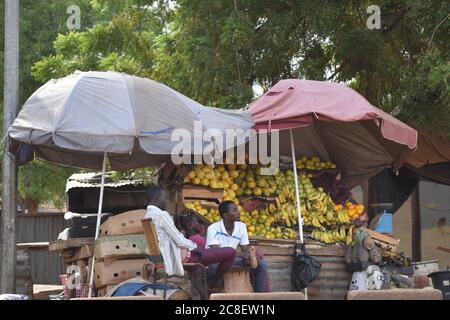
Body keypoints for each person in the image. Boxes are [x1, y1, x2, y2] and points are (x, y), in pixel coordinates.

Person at [145, 186, 235, 299]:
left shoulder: (148, 215)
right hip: (178, 256)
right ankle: (215, 281)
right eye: (164, 197)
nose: (166, 201)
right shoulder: (161, 215)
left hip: (163, 257)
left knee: (197, 269)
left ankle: (205, 297)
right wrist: (194, 246)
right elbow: (177, 239)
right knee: (231, 252)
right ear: (156, 198)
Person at [206, 200, 271, 292]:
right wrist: (242, 254)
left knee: (262, 264)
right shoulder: (213, 228)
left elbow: (245, 249)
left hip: (233, 260)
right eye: (234, 210)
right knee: (214, 265)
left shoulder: (241, 226)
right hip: (216, 261)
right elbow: (217, 253)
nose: (238, 212)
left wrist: (250, 254)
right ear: (225, 215)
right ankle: (211, 286)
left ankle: (259, 295)